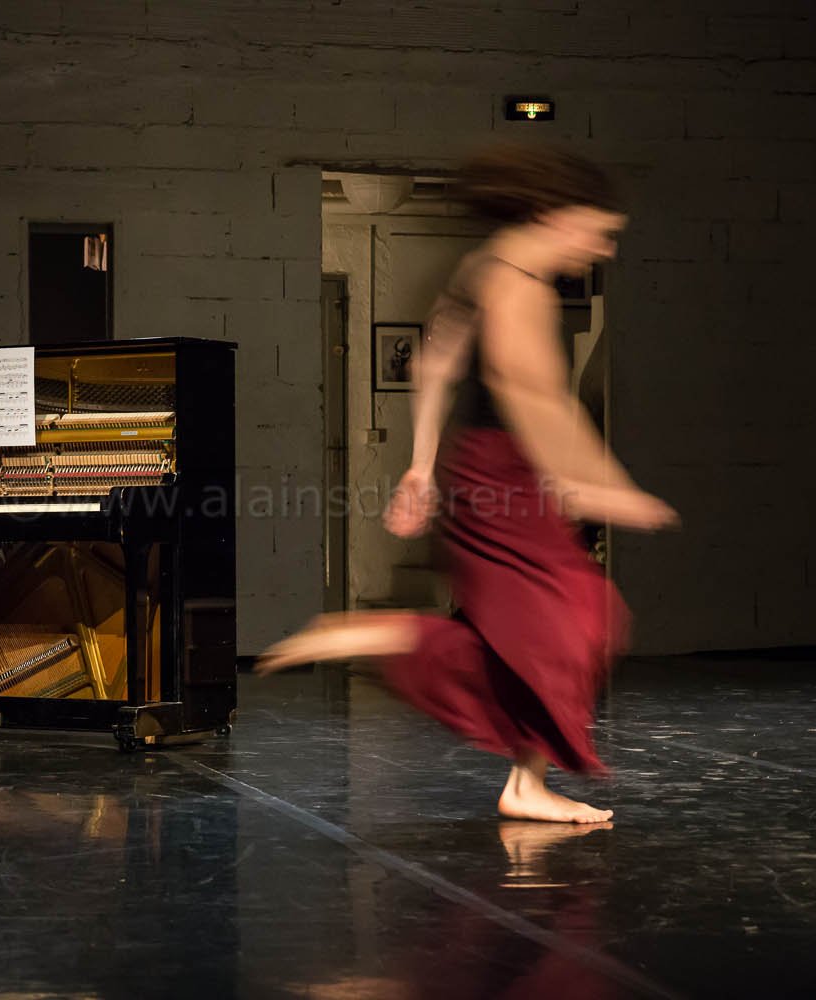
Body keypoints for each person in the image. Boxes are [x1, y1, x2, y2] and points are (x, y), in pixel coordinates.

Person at [258, 144, 676, 822]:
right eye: (600, 233)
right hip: (509, 470)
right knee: (578, 616)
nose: (604, 250)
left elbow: (433, 366)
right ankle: (386, 639)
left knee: (553, 624)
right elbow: (536, 400)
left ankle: (524, 783)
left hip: (483, 466)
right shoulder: (522, 287)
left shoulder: (484, 265)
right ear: (556, 215)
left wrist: (421, 467)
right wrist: (600, 487)